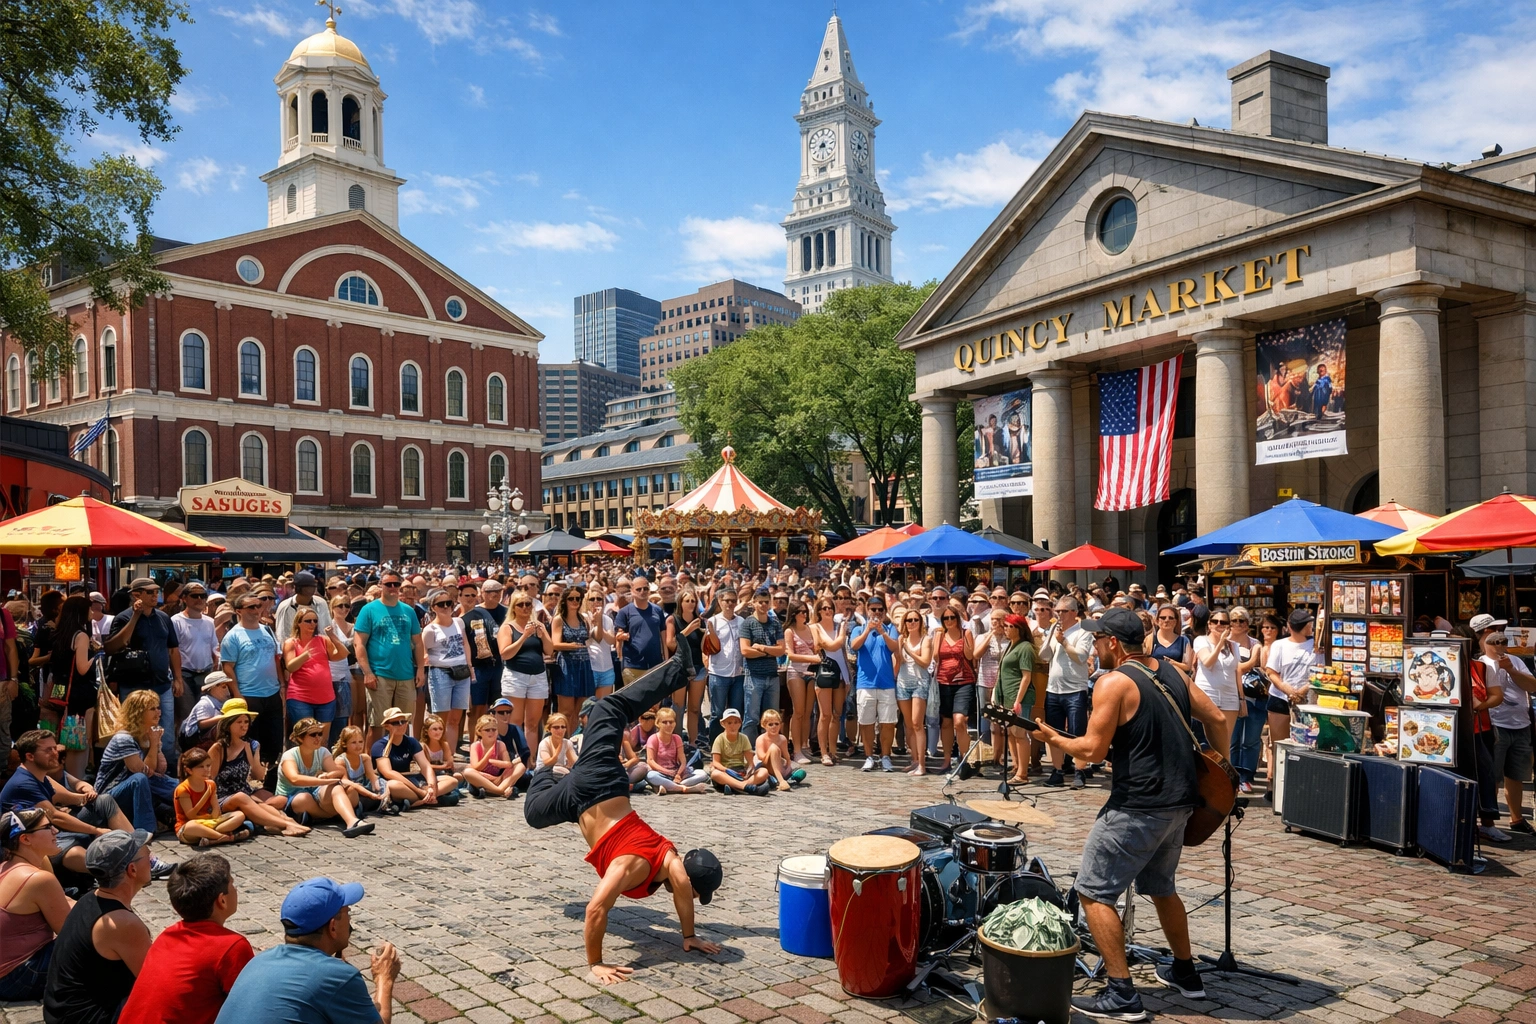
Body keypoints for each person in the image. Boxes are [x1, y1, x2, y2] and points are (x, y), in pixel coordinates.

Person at [1031, 608, 1227, 1021]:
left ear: (1113, 643)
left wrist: (1051, 737)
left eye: (1097, 640)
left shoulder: (1114, 681)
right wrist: (1220, 769)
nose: (1094, 648)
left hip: (1137, 805)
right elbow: (1218, 716)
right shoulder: (1172, 671)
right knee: (1160, 885)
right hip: (1180, 802)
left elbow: (1090, 752)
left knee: (1094, 891)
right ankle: (1186, 973)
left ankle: (1122, 993)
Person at [522, 657, 724, 984]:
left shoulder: (663, 857)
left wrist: (687, 935)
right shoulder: (648, 864)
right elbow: (677, 888)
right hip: (597, 783)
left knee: (606, 710)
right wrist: (686, 937)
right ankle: (679, 667)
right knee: (606, 710)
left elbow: (677, 885)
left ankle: (548, 769)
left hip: (588, 792)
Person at [215, 877, 400, 1024]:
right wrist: (385, 978)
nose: (350, 920)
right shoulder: (339, 977)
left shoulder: (258, 962)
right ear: (333, 927)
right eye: (347, 913)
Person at [117, 853, 254, 1024]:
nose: (236, 889)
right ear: (222, 900)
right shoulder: (231, 946)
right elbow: (250, 1006)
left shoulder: (167, 935)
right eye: (232, 884)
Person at [42, 829, 156, 1024]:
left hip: (60, 1012)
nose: (152, 859)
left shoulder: (89, 898)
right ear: (132, 870)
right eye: (147, 855)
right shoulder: (122, 923)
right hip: (86, 1018)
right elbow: (154, 982)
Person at [104, 578, 183, 771]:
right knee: (134, 730)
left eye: (156, 591)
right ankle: (138, 769)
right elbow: (113, 647)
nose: (155, 595)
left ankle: (168, 771)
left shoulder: (163, 618)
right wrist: (135, 617)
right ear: (136, 595)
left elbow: (173, 649)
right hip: (134, 686)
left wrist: (178, 678)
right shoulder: (123, 617)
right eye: (150, 592)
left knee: (166, 732)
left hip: (162, 684)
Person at [207, 701, 310, 837]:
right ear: (228, 725)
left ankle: (289, 821)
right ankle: (284, 825)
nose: (244, 726)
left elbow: (259, 776)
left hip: (244, 791)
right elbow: (209, 780)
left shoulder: (252, 745)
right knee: (244, 798)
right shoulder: (219, 748)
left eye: (246, 722)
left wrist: (250, 753)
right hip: (222, 796)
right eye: (239, 722)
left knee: (264, 803)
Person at [0, 809, 73, 1001]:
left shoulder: (7, 866)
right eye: (48, 827)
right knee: (104, 940)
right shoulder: (37, 879)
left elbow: (61, 900)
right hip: (16, 977)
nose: (56, 831)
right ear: (25, 839)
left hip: (6, 973)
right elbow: (70, 933)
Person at [1474, 613, 1536, 836]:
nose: (1500, 640)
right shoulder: (1480, 664)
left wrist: (1510, 668)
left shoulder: (1516, 660)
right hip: (1495, 725)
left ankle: (1516, 818)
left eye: (1503, 636)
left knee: (1516, 775)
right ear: (1483, 636)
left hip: (1520, 723)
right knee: (1493, 776)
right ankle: (1488, 823)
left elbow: (1532, 686)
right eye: (1495, 634)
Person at [219, 595, 284, 791]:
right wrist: (238, 695)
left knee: (274, 743)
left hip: (272, 693)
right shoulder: (233, 636)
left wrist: (282, 685)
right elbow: (227, 668)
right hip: (249, 695)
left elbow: (276, 659)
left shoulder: (267, 630)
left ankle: (271, 788)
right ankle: (247, 787)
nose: (257, 610)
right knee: (249, 742)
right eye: (251, 607)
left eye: (258, 606)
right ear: (239, 611)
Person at [354, 571, 426, 745]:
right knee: (377, 724)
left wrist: (421, 670)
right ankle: (372, 765)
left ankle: (398, 761)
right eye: (388, 584)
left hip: (406, 675)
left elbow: (418, 642)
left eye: (396, 584)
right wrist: (368, 673)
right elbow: (359, 643)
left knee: (403, 723)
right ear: (381, 586)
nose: (393, 588)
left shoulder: (409, 611)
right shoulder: (369, 610)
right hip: (380, 674)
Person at [96, 688, 180, 835]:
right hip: (108, 796)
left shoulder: (145, 735)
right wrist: (154, 745)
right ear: (138, 713)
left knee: (171, 782)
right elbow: (143, 772)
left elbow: (160, 769)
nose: (158, 712)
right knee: (141, 779)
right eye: (152, 709)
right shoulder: (124, 738)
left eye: (158, 708)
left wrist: (157, 744)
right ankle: (145, 830)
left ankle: (198, 805)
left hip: (138, 786)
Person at [277, 718, 375, 838]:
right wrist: (323, 780)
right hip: (293, 796)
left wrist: (328, 775)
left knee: (339, 789)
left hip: (316, 795)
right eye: (313, 734)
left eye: (320, 733)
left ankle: (352, 822)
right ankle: (337, 814)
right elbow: (295, 779)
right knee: (304, 798)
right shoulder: (290, 755)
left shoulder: (322, 752)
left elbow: (338, 771)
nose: (318, 738)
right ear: (300, 738)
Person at [1263, 608, 1319, 802]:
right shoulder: (1280, 645)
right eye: (1308, 624)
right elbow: (1271, 671)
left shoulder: (1316, 646)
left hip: (1307, 699)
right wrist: (1288, 690)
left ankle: (1300, 788)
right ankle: (1278, 789)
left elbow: (1320, 672)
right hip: (1280, 697)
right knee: (1279, 744)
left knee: (1305, 744)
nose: (1311, 626)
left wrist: (1302, 690)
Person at [1040, 595, 1094, 788]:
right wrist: (1049, 639)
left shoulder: (1083, 632)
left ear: (1074, 612)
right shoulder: (1056, 630)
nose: (1059, 615)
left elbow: (1080, 657)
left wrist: (1064, 643)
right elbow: (1045, 656)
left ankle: (1080, 771)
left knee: (1076, 732)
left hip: (1074, 689)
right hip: (1053, 689)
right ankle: (1058, 770)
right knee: (1054, 733)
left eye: (1063, 611)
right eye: (1057, 611)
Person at [45, 594, 100, 779]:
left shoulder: (60, 633)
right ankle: (75, 780)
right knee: (77, 741)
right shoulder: (81, 635)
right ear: (81, 612)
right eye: (89, 608)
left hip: (59, 692)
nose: (92, 611)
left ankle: (60, 778)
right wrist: (98, 656)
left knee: (63, 738)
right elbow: (82, 668)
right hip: (78, 695)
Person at [850, 595, 900, 772]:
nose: (877, 613)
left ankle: (885, 756)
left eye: (880, 609)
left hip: (886, 683)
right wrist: (867, 630)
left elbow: (894, 647)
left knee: (888, 722)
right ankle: (869, 756)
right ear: (867, 610)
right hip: (865, 683)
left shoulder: (891, 628)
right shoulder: (858, 629)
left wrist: (882, 631)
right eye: (873, 609)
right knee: (866, 722)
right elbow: (854, 646)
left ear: (885, 612)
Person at [370, 708, 458, 810]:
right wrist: (418, 791)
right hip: (395, 781)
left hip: (412, 778)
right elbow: (388, 773)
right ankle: (429, 798)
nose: (401, 725)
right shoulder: (380, 745)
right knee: (393, 786)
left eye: (403, 721)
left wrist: (431, 786)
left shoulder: (411, 741)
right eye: (395, 723)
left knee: (452, 780)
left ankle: (421, 799)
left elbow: (425, 766)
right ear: (387, 726)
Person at [498, 593, 552, 757]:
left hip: (538, 677)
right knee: (515, 722)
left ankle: (530, 760)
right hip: (516, 677)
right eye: (520, 604)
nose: (525, 608)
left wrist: (542, 635)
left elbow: (549, 651)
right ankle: (515, 757)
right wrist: (524, 636)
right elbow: (505, 654)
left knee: (533, 723)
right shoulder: (507, 627)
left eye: (528, 604)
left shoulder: (538, 626)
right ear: (513, 607)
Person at [283, 606, 348, 734]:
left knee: (322, 740)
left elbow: (343, 654)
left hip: (326, 698)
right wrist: (305, 655)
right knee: (306, 737)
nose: (312, 623)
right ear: (298, 623)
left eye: (315, 620)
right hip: (300, 698)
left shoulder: (323, 640)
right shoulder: (291, 642)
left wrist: (332, 636)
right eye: (308, 621)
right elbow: (290, 666)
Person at [422, 589, 472, 751]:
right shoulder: (430, 630)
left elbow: (465, 644)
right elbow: (425, 652)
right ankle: (435, 754)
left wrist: (470, 666)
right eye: (441, 604)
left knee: (455, 719)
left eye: (448, 603)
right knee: (439, 720)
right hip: (441, 673)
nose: (445, 607)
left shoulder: (459, 622)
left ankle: (449, 755)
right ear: (433, 607)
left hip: (462, 671)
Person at [1229, 609, 1271, 794]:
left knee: (1252, 739)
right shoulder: (1224, 643)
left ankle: (1246, 776)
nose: (1238, 624)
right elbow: (1237, 668)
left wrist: (1243, 666)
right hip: (1230, 697)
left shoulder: (1256, 644)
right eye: (1234, 620)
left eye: (1242, 620)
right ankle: (1232, 774)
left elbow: (1260, 667)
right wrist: (1249, 662)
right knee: (1233, 739)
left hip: (1254, 697)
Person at [933, 603, 978, 772]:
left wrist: (964, 636)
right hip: (944, 682)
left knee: (959, 721)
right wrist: (937, 637)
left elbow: (969, 655)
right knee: (945, 723)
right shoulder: (940, 634)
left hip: (964, 682)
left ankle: (963, 758)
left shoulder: (966, 633)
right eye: (946, 618)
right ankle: (946, 760)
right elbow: (936, 657)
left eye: (952, 617)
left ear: (958, 619)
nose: (949, 620)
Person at [173, 748, 249, 847]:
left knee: (240, 815)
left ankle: (212, 837)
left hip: (208, 823)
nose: (206, 769)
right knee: (190, 827)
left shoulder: (210, 784)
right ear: (189, 770)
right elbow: (191, 816)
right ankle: (225, 837)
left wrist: (213, 797)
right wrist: (205, 796)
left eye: (208, 765)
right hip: (189, 826)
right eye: (201, 767)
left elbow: (215, 815)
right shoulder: (183, 789)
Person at [739, 589, 786, 744]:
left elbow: (781, 650)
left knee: (771, 717)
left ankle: (770, 749)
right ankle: (749, 750)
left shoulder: (775, 623)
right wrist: (769, 652)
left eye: (766, 601)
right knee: (751, 717)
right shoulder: (748, 623)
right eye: (760, 602)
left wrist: (762, 648)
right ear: (754, 603)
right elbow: (745, 650)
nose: (764, 605)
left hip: (772, 675)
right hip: (753, 675)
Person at [1191, 608, 1240, 753]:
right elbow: (1207, 662)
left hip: (1229, 697)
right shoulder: (1201, 641)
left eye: (1223, 622)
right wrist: (1220, 643)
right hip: (1207, 694)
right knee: (1206, 745)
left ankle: (1226, 775)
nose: (1219, 624)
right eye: (1215, 621)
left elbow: (1237, 671)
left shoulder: (1233, 646)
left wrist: (1242, 699)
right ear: (1209, 624)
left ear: (1228, 626)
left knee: (1225, 745)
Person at [995, 614, 1036, 784]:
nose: (1005, 629)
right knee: (1010, 733)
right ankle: (1016, 766)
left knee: (1020, 734)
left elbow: (1026, 676)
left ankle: (1023, 773)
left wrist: (1018, 700)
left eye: (1009, 626)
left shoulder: (1025, 647)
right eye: (1005, 626)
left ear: (1018, 629)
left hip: (1019, 696)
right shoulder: (1010, 646)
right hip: (1006, 695)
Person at [463, 579, 507, 735]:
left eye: (498, 591)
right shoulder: (470, 615)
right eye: (489, 591)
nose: (494, 594)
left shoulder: (508, 612)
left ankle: (498, 742)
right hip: (478, 667)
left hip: (502, 666)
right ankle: (476, 744)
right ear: (482, 593)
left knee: (499, 707)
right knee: (477, 707)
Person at [895, 608, 935, 776]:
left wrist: (909, 650)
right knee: (908, 725)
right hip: (903, 682)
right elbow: (899, 662)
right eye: (908, 620)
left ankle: (922, 765)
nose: (912, 623)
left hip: (920, 682)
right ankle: (915, 759)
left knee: (917, 723)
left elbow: (925, 662)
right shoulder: (900, 638)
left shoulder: (926, 639)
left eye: (915, 620)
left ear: (921, 623)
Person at [551, 587, 598, 729]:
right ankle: (560, 740)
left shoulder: (583, 618)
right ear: (565, 601)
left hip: (584, 664)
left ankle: (572, 741)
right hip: (567, 664)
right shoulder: (559, 619)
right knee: (566, 711)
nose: (575, 601)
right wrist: (571, 646)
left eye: (578, 598)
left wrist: (598, 622)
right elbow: (555, 644)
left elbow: (591, 638)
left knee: (581, 710)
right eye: (571, 598)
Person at [704, 588, 746, 745]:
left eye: (733, 601)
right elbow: (706, 647)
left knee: (736, 712)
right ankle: (715, 743)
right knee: (718, 712)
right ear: (719, 602)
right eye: (726, 600)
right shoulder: (713, 621)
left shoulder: (742, 621)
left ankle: (735, 744)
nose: (730, 604)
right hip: (718, 673)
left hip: (738, 673)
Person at [665, 588, 707, 744]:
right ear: (680, 602)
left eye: (693, 601)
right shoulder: (673, 619)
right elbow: (671, 644)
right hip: (680, 668)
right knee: (678, 707)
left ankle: (692, 742)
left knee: (695, 709)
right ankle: (675, 742)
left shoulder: (700, 620)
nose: (690, 604)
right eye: (687, 601)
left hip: (698, 667)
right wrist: (689, 630)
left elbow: (703, 646)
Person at [810, 598, 848, 766]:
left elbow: (842, 650)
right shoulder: (815, 627)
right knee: (824, 714)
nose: (828, 610)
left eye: (830, 608)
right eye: (824, 608)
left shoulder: (838, 626)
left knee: (837, 714)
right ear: (818, 611)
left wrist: (849, 674)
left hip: (841, 672)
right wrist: (842, 633)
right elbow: (830, 646)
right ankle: (823, 752)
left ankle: (833, 751)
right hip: (825, 672)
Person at [614, 577, 668, 686]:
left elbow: (663, 637)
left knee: (655, 702)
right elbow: (618, 636)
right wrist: (622, 636)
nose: (642, 592)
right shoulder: (624, 612)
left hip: (655, 665)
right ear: (632, 591)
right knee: (634, 702)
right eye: (639, 589)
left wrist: (666, 661)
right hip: (632, 666)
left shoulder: (657, 610)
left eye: (645, 589)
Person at [644, 707, 710, 794]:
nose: (668, 725)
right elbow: (650, 761)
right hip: (660, 773)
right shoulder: (653, 739)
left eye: (671, 722)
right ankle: (682, 788)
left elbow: (682, 760)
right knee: (650, 776)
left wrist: (678, 774)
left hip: (677, 773)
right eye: (664, 722)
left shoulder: (677, 738)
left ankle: (671, 787)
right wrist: (667, 772)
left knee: (702, 774)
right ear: (657, 723)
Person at [465, 714, 524, 799]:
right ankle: (500, 791)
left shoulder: (500, 745)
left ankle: (494, 790)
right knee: (468, 772)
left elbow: (508, 764)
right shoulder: (475, 746)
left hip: (498, 778)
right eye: (487, 730)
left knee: (521, 766)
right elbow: (476, 767)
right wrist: (487, 756)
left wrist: (496, 763)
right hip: (481, 778)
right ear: (479, 732)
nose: (491, 732)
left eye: (494, 730)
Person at [274, 571, 330, 644]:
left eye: (313, 585)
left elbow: (327, 628)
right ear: (297, 587)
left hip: (320, 648)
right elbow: (282, 635)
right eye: (306, 585)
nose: (310, 588)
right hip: (295, 650)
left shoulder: (321, 603)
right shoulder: (285, 606)